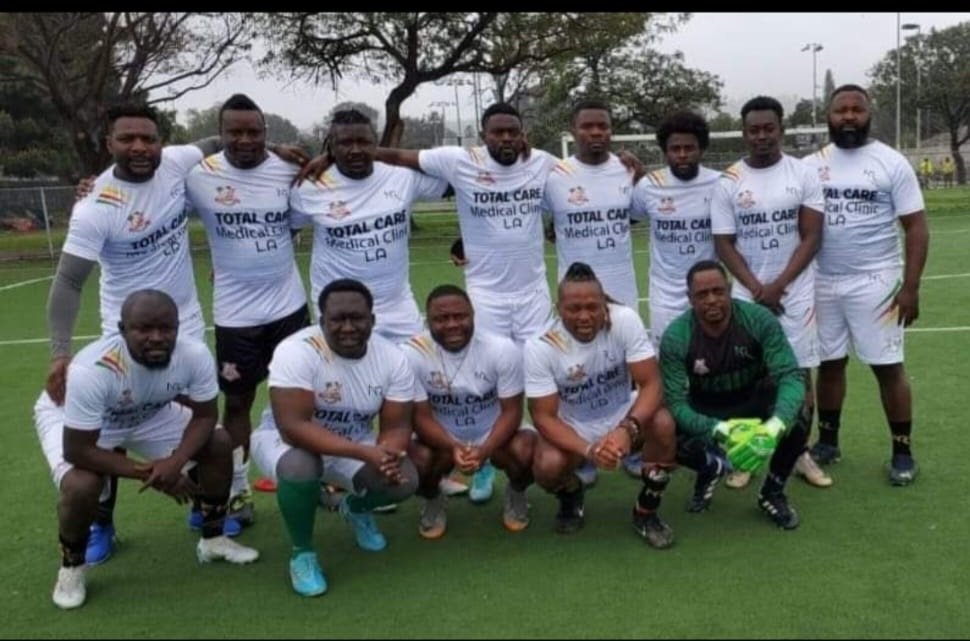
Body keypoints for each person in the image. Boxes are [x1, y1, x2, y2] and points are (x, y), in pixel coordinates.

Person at [42, 102, 210, 565]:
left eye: (148, 138)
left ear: (160, 142)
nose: (139, 147)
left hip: (186, 325)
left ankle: (205, 504)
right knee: (113, 427)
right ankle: (101, 523)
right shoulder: (95, 205)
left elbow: (217, 142)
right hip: (126, 334)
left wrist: (281, 151)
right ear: (108, 143)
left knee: (196, 418)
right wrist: (60, 352)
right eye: (127, 139)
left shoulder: (176, 163)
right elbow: (68, 281)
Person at [41, 289, 259, 610]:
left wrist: (176, 461)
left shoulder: (194, 354)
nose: (157, 337)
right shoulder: (93, 368)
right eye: (144, 329)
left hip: (148, 412)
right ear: (122, 329)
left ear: (177, 327)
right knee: (81, 484)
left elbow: (205, 416)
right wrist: (154, 474)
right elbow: (78, 450)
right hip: (79, 423)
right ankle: (71, 567)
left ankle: (213, 539)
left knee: (218, 442)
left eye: (166, 328)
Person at [185, 93, 311, 527]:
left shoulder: (289, 170)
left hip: (289, 306)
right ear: (219, 134)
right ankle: (236, 488)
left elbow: (293, 224)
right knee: (237, 403)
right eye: (234, 132)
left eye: (253, 132)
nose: (244, 140)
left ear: (265, 132)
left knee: (303, 396)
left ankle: (318, 476)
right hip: (235, 315)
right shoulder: (198, 175)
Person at [250, 279, 419, 597]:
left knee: (405, 480)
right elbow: (293, 427)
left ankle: (354, 507)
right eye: (338, 319)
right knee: (301, 466)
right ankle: (302, 553)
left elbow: (397, 426)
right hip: (285, 443)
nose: (348, 327)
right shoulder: (295, 350)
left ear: (372, 319)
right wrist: (365, 453)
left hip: (353, 445)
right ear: (322, 320)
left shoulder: (392, 357)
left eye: (357, 318)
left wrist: (388, 456)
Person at [801, 84, 929, 485]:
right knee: (830, 364)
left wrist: (911, 287)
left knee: (887, 366)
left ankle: (902, 451)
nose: (849, 116)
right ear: (828, 116)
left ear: (868, 114)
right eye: (841, 110)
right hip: (822, 279)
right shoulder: (810, 165)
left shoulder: (891, 162)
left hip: (876, 281)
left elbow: (916, 227)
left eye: (857, 109)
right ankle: (828, 442)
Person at [709, 95, 830, 491]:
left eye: (768, 129)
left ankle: (799, 454)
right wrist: (757, 288)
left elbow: (811, 236)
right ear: (744, 133)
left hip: (794, 294)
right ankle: (748, 454)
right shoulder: (729, 181)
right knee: (750, 378)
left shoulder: (803, 174)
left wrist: (780, 285)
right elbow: (724, 243)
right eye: (754, 130)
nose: (761, 136)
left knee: (799, 376)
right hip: (748, 296)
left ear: (781, 129)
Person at [525, 262, 678, 549]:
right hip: (575, 426)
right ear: (558, 309)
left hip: (621, 412)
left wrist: (627, 429)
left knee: (663, 424)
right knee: (547, 466)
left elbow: (652, 384)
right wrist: (589, 450)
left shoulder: (624, 320)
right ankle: (571, 494)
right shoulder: (541, 346)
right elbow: (544, 417)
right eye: (574, 309)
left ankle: (646, 511)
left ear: (604, 305)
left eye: (592, 307)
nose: (584, 316)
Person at [660, 261, 809, 529]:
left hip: (753, 400)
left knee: (798, 412)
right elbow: (676, 402)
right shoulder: (676, 336)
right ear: (690, 299)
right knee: (663, 425)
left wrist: (775, 426)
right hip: (707, 407)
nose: (711, 300)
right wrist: (718, 429)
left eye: (718, 291)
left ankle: (772, 492)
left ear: (729, 290)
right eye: (702, 294)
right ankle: (709, 466)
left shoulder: (758, 320)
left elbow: (790, 375)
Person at [290, 109, 449, 344]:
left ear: (376, 143)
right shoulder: (309, 186)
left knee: (416, 364)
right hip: (340, 308)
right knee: (347, 367)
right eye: (345, 143)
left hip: (397, 306)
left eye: (363, 142)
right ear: (331, 146)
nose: (355, 150)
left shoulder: (402, 176)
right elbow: (284, 235)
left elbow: (461, 178)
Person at [402, 284, 535, 538]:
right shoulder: (411, 354)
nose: (452, 324)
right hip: (441, 435)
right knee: (414, 461)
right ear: (427, 321)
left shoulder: (501, 349)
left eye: (460, 316)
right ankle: (432, 498)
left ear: (473, 315)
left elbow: (512, 412)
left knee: (527, 449)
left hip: (493, 431)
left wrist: (484, 449)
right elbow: (420, 417)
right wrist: (454, 446)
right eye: (441, 318)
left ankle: (517, 492)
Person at [631, 110, 721, 346]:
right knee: (670, 359)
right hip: (665, 298)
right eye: (675, 149)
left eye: (689, 148)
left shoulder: (720, 184)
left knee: (713, 357)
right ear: (665, 152)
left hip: (709, 293)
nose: (682, 155)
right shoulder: (649, 186)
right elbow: (623, 219)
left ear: (701, 149)